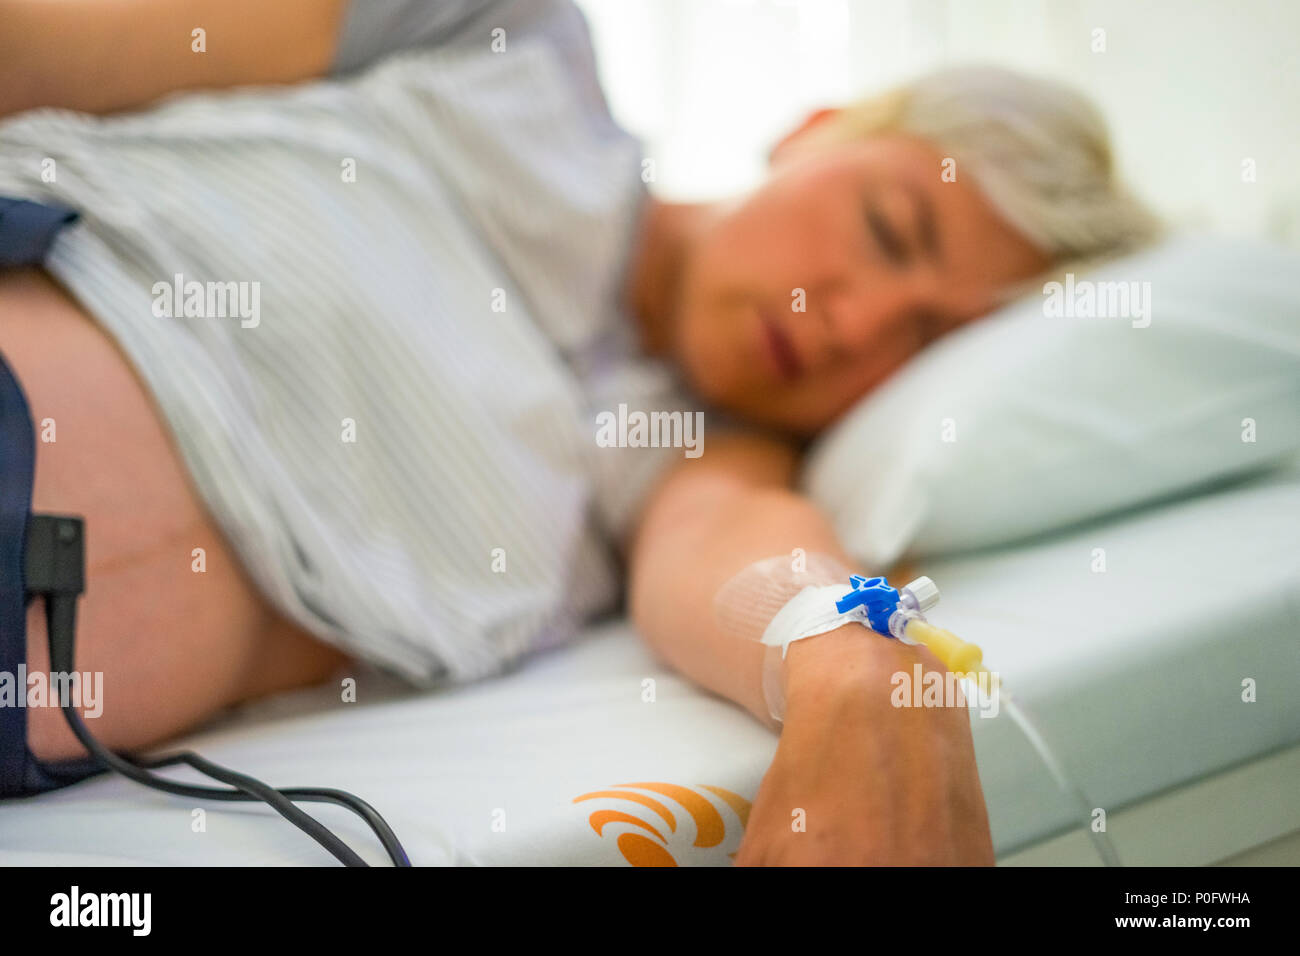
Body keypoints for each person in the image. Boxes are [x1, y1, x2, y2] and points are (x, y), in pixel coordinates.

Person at [0, 0, 1156, 863]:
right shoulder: (507, 46)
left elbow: (753, 559)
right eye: (889, 230)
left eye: (919, 342)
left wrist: (854, 662)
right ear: (813, 128)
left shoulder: (688, 453)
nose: (852, 322)